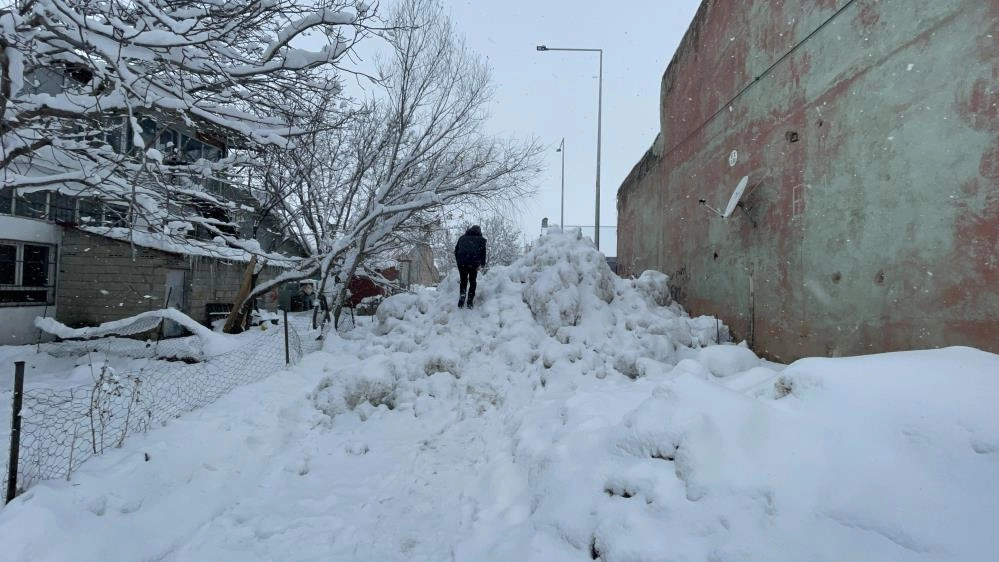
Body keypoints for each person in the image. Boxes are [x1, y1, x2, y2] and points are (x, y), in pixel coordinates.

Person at [453, 225, 487, 309]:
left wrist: (459, 260)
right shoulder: (481, 240)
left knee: (463, 281)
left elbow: (456, 250)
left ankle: (462, 298)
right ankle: (469, 301)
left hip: (462, 263)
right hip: (473, 263)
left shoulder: (462, 238)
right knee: (472, 281)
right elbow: (483, 253)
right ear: (479, 231)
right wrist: (482, 263)